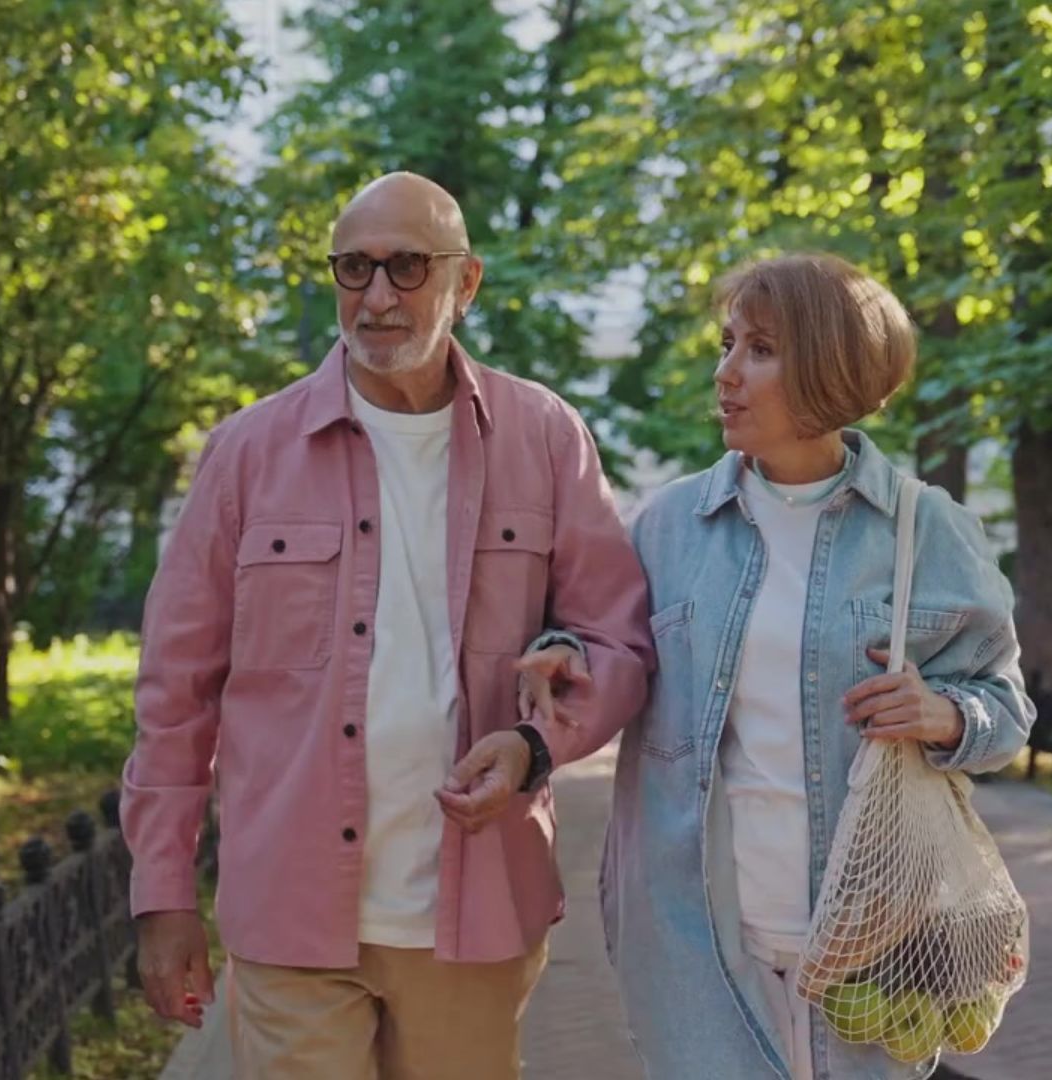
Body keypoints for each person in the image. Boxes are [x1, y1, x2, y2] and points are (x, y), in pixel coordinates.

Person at [118, 171, 653, 1079]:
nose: (375, 297)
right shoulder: (247, 454)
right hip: (291, 916)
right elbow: (176, 692)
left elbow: (619, 641)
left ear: (466, 281)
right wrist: (162, 894)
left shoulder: (546, 438)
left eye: (407, 268)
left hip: (475, 912)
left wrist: (533, 745)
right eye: (352, 269)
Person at [528, 252, 1033, 1079]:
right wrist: (563, 654)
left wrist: (945, 716)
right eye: (726, 345)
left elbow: (1005, 708)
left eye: (759, 349)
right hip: (696, 931)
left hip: (873, 935)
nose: (727, 373)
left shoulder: (924, 528)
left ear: (833, 365)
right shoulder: (672, 526)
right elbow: (610, 649)